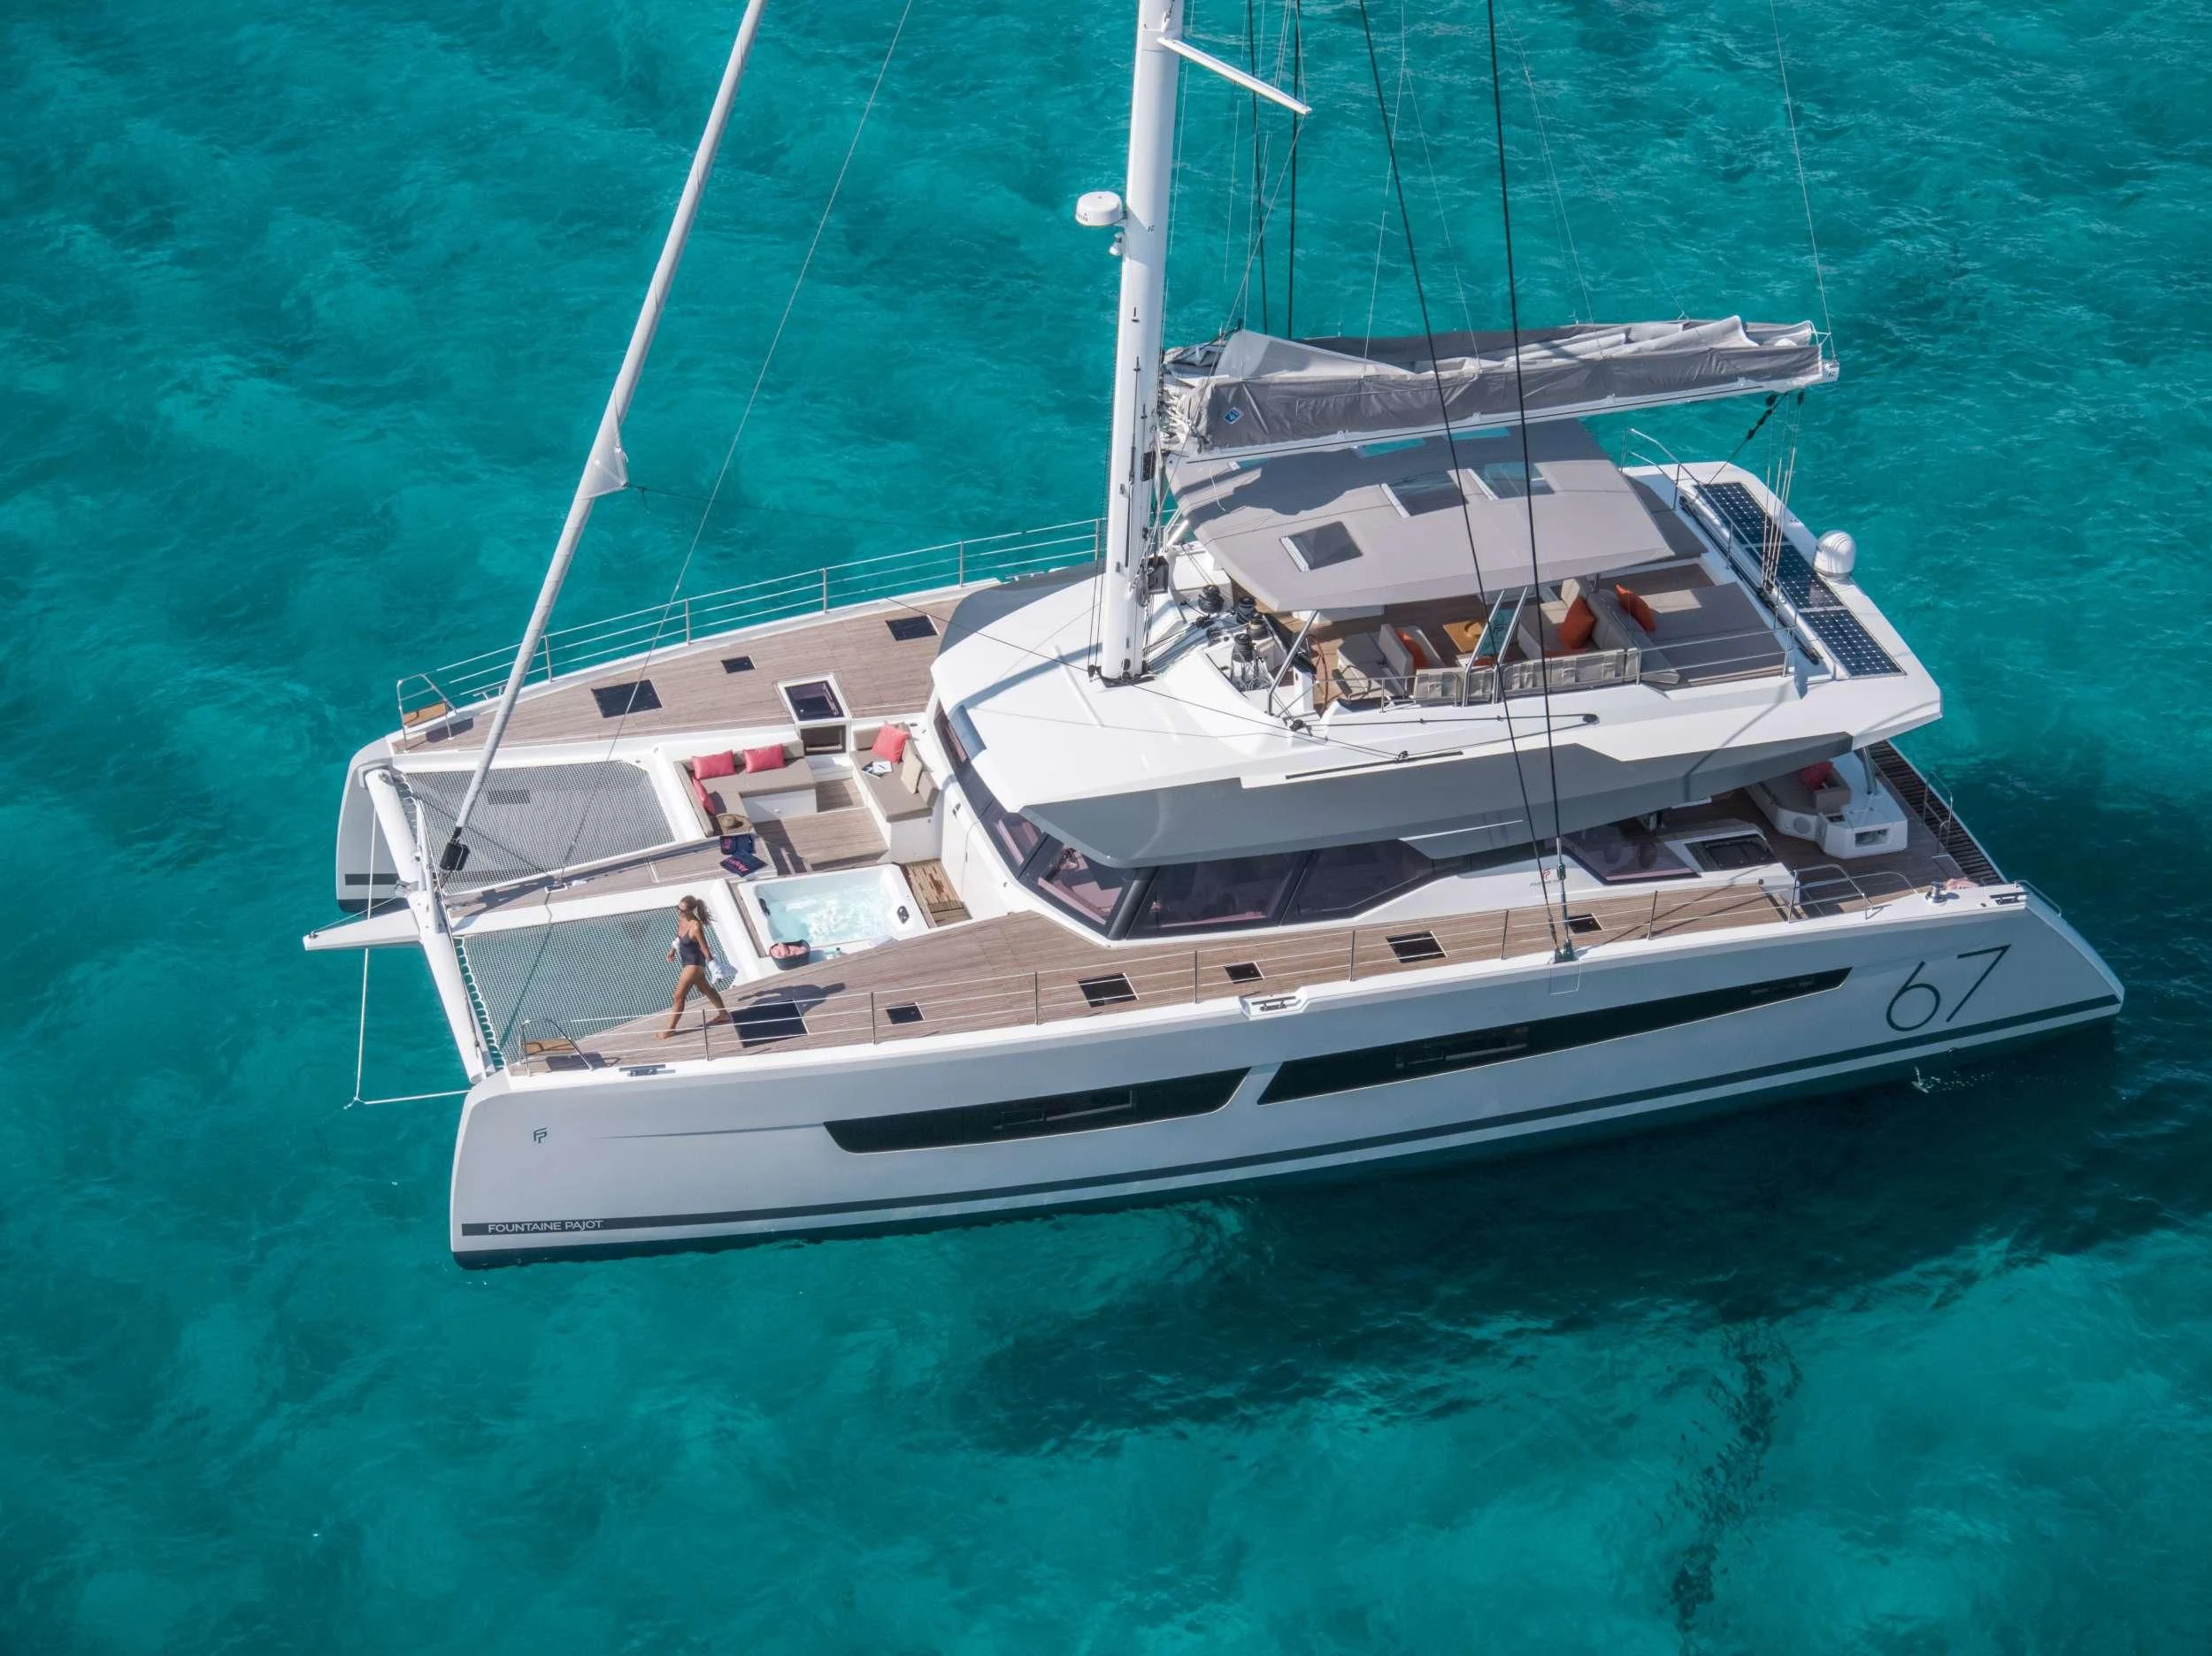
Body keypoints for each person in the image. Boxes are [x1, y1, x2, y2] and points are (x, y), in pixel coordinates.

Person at [661, 894, 729, 1038]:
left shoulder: (696, 926)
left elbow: (704, 948)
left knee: (678, 996)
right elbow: (679, 938)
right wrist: (673, 949)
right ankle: (724, 1014)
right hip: (687, 962)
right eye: (678, 908)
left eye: (682, 910)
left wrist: (715, 968)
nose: (679, 912)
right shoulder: (682, 918)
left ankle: (670, 1029)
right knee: (706, 989)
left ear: (691, 910)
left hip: (694, 964)